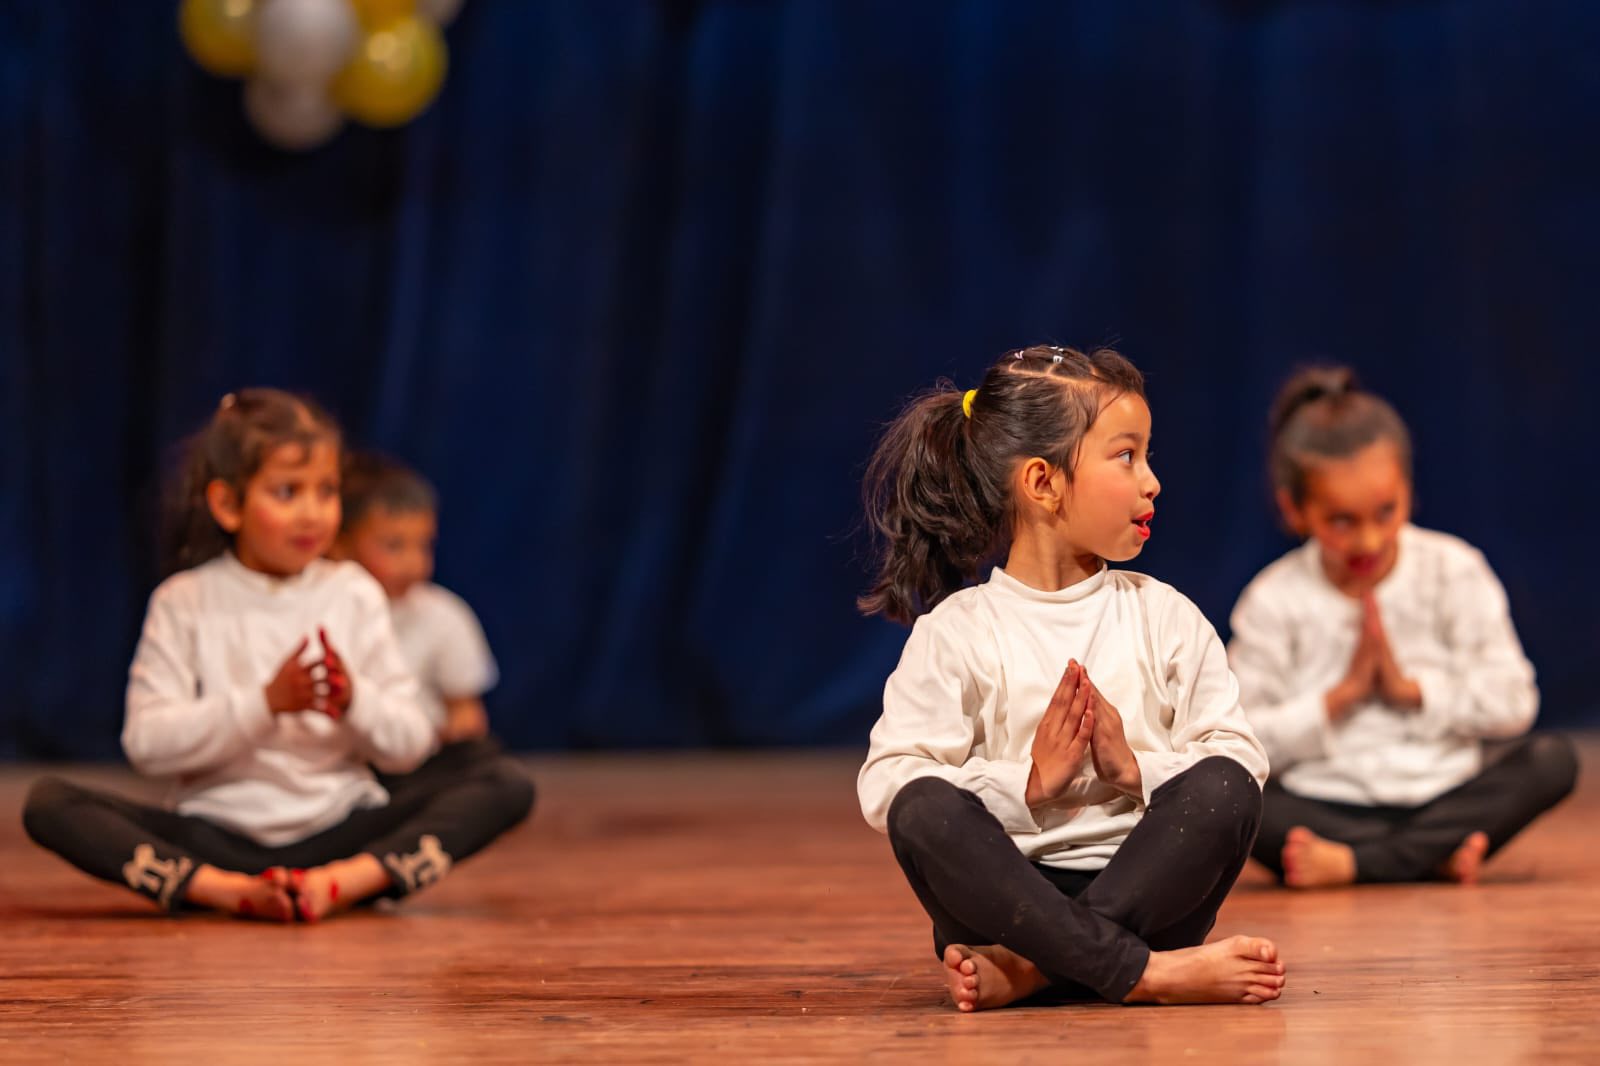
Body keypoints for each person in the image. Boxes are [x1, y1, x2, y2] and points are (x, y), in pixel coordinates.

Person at [856, 346, 1283, 1011]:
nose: (1152, 481)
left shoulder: (1163, 614)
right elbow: (888, 783)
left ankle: (1032, 972)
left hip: (1151, 893)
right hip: (1008, 904)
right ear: (1043, 483)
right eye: (1126, 456)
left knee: (1227, 789)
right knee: (922, 808)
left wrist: (1131, 769)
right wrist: (1026, 785)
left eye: (1147, 456)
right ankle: (1149, 975)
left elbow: (1239, 759)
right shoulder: (959, 629)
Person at [22, 389, 532, 921]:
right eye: (288, 492)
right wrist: (264, 704)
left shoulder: (353, 592)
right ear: (228, 505)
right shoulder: (185, 601)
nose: (312, 513)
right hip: (218, 837)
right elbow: (147, 745)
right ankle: (224, 890)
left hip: (340, 830)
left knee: (502, 781)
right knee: (51, 805)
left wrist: (356, 700)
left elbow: (407, 748)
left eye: (327, 491)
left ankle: (345, 881)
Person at [1228, 367, 1577, 888]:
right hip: (1325, 808)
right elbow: (1240, 741)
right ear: (1294, 509)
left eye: (1385, 512)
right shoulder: (1273, 598)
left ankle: (1356, 865)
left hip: (1444, 796)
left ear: (1408, 493)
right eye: (1342, 521)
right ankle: (1427, 857)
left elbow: (1515, 703)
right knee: (1223, 793)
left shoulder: (1453, 568)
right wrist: (1339, 698)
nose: (1368, 541)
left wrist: (1409, 691)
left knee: (1554, 760)